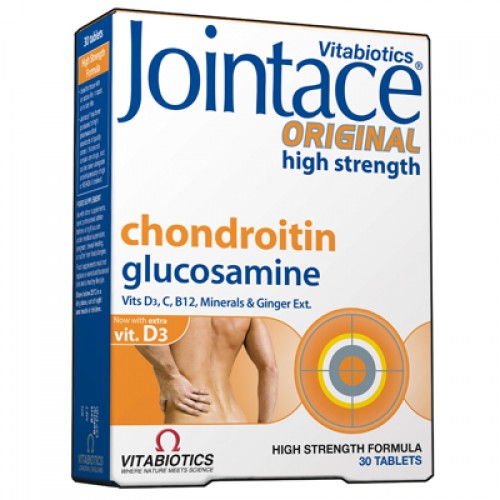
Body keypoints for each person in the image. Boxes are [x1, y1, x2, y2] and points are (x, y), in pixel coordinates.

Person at [136, 317, 279, 424]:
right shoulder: (245, 311)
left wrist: (170, 376)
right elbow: (270, 369)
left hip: (193, 415)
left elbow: (139, 329)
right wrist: (264, 427)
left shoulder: (177, 300)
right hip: (235, 419)